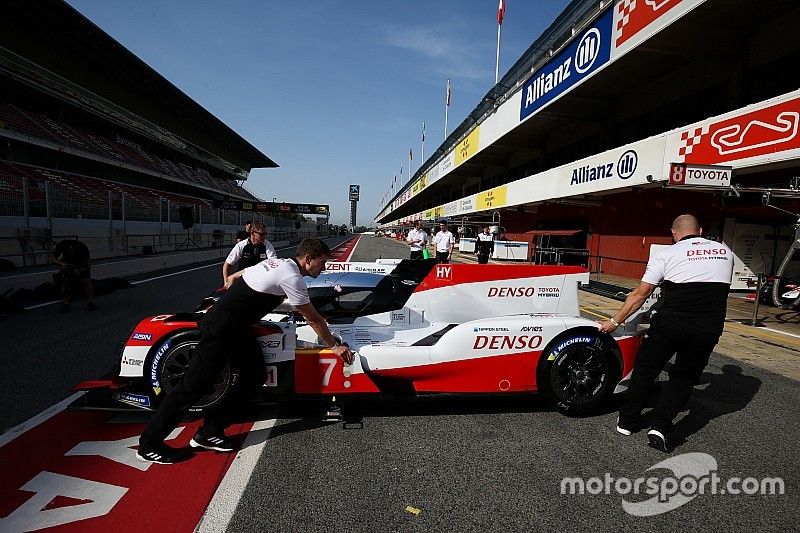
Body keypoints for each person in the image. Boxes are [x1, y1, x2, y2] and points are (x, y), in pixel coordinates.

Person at [138, 238, 354, 464]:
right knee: (193, 386)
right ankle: (149, 444)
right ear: (308, 259)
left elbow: (240, 274)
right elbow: (313, 319)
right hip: (221, 327)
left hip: (238, 328)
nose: (324, 268)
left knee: (255, 376)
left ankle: (210, 432)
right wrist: (334, 346)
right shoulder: (291, 276)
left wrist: (232, 279)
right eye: (322, 263)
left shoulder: (278, 263)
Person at [598, 214, 733, 453]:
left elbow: (641, 295)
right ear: (700, 230)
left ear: (673, 233)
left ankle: (628, 422)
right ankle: (660, 426)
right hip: (708, 327)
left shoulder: (667, 254)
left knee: (646, 369)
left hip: (671, 323)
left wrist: (614, 321)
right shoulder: (724, 251)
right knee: (683, 377)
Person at [222, 221, 277, 286]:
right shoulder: (241, 245)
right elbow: (227, 264)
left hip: (261, 279)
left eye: (265, 234)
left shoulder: (267, 245)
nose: (264, 236)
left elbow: (274, 263)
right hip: (244, 279)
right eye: (261, 234)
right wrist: (226, 283)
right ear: (253, 233)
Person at [50, 238, 97, 312]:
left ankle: (91, 302)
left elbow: (88, 262)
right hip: (66, 263)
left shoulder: (83, 248)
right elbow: (53, 258)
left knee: (87, 281)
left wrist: (87, 274)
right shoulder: (63, 244)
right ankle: (66, 304)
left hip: (80, 264)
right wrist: (61, 264)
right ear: (71, 248)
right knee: (65, 281)